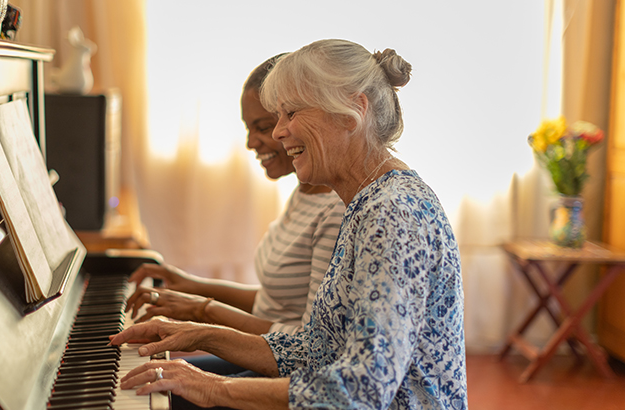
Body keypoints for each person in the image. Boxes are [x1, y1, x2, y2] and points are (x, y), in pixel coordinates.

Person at [109, 39, 468, 410]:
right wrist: (198, 332)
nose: (279, 132)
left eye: (291, 113)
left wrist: (215, 387)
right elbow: (317, 349)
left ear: (352, 111)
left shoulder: (393, 213)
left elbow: (362, 390)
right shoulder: (367, 202)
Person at [125, 54, 346, 340]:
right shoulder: (305, 190)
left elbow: (308, 342)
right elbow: (272, 305)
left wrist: (202, 310)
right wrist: (192, 285)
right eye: (248, 128)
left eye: (262, 127)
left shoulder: (334, 212)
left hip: (281, 368)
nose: (250, 143)